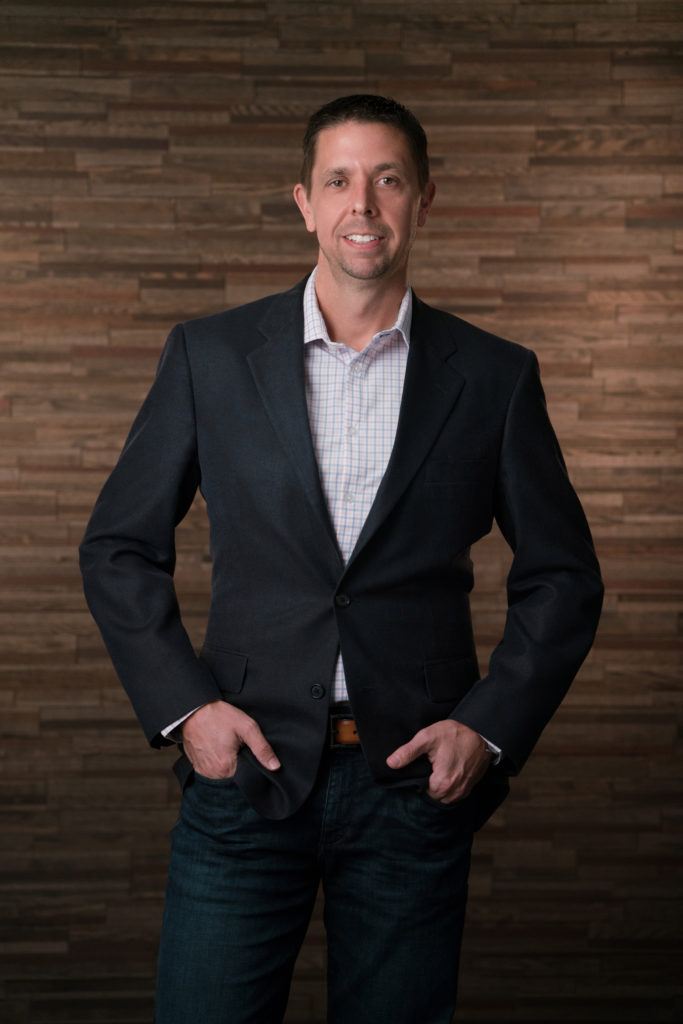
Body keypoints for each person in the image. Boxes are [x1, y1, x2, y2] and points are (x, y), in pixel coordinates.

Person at [78, 94, 604, 1024]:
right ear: (305, 203)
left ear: (422, 199)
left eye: (388, 179)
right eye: (339, 180)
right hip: (243, 777)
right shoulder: (208, 357)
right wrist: (187, 709)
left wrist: (483, 729)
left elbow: (562, 576)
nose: (363, 203)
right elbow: (119, 546)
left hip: (411, 786)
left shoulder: (493, 376)